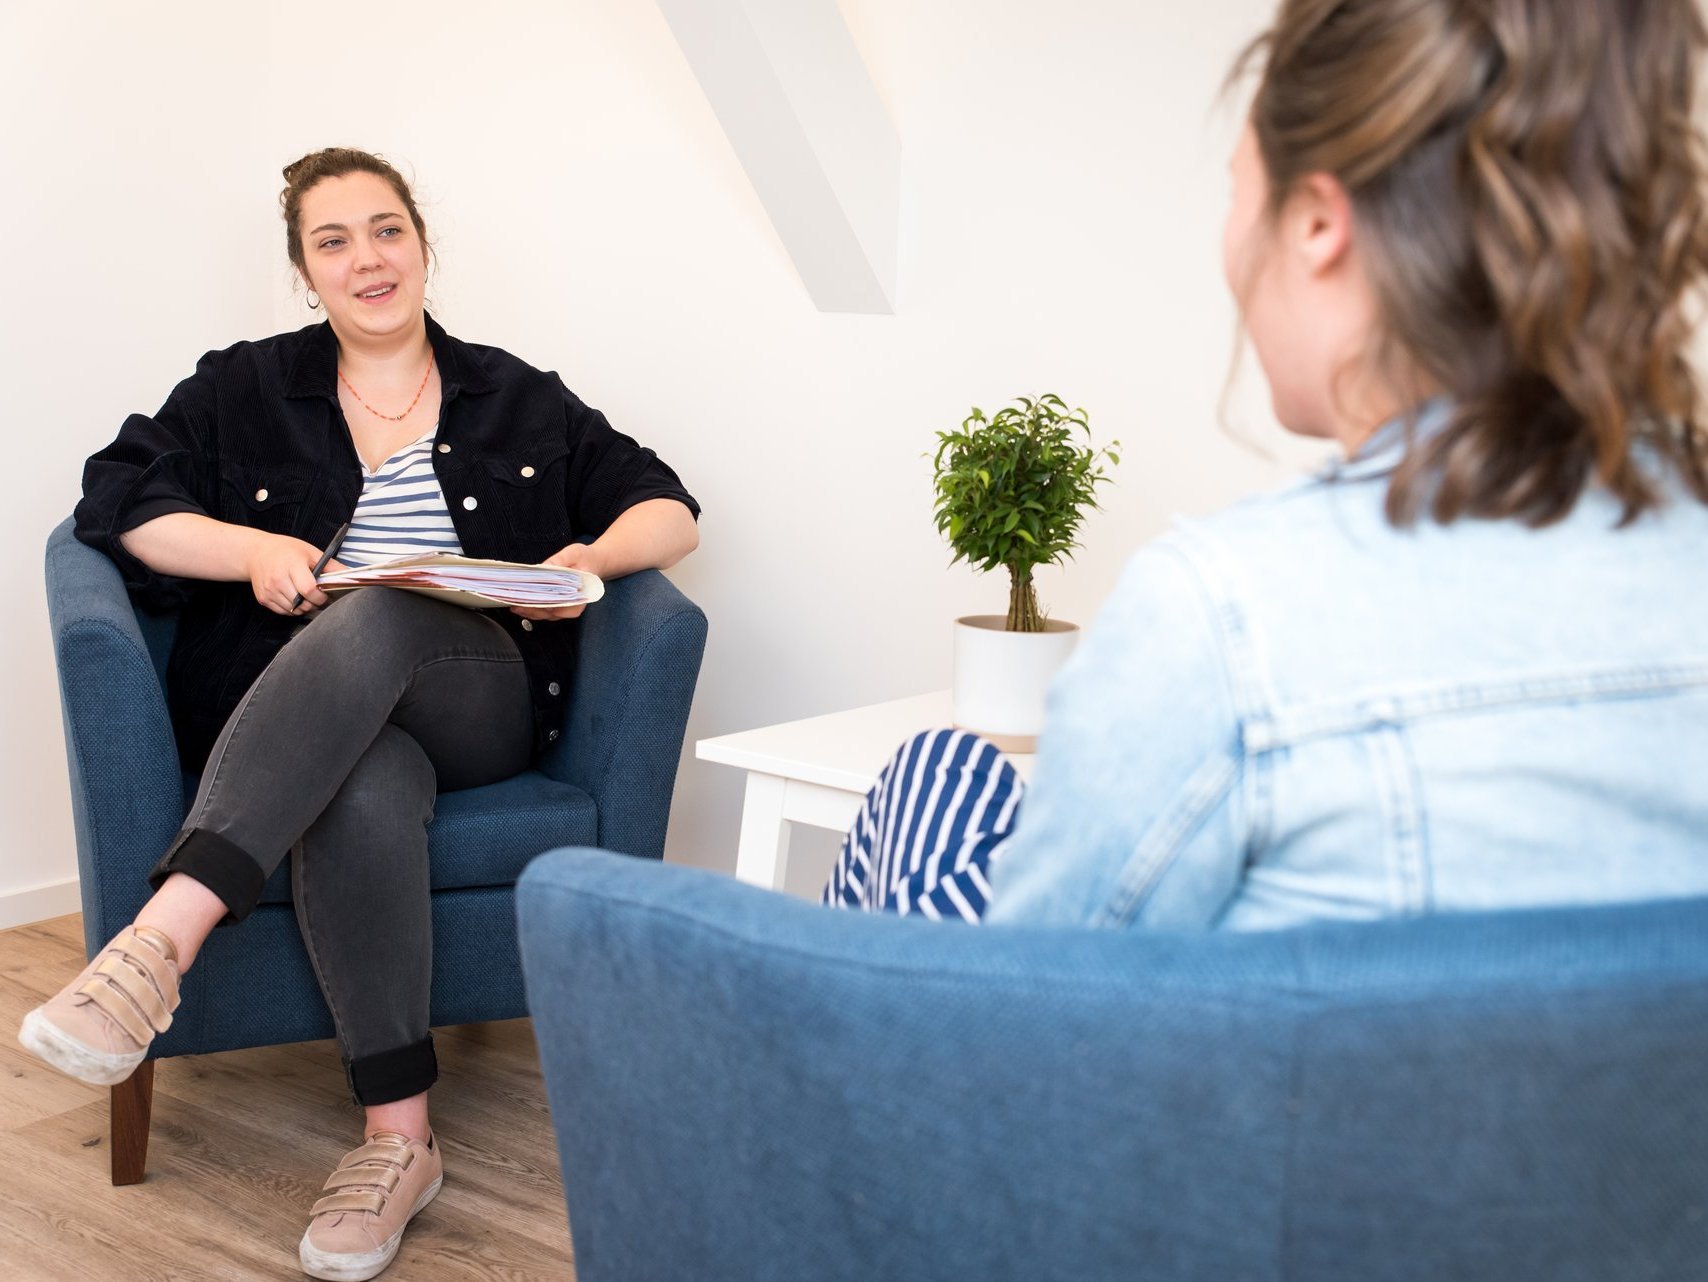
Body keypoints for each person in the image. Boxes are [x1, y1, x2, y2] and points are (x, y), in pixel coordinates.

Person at [826, 0, 1708, 927]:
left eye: (1240, 188)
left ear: (1320, 223)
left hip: (1189, 1063)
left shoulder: (1221, 619)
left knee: (937, 774)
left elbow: (1038, 1026)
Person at [19, 148, 699, 1281]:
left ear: (423, 246)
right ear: (304, 271)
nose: (365, 259)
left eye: (385, 231)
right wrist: (253, 553)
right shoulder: (244, 387)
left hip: (477, 695)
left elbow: (668, 509)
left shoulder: (515, 394)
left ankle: (160, 944)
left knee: (384, 613)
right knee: (365, 781)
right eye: (333, 241)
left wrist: (586, 556)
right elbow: (117, 500)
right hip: (318, 718)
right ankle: (400, 1138)